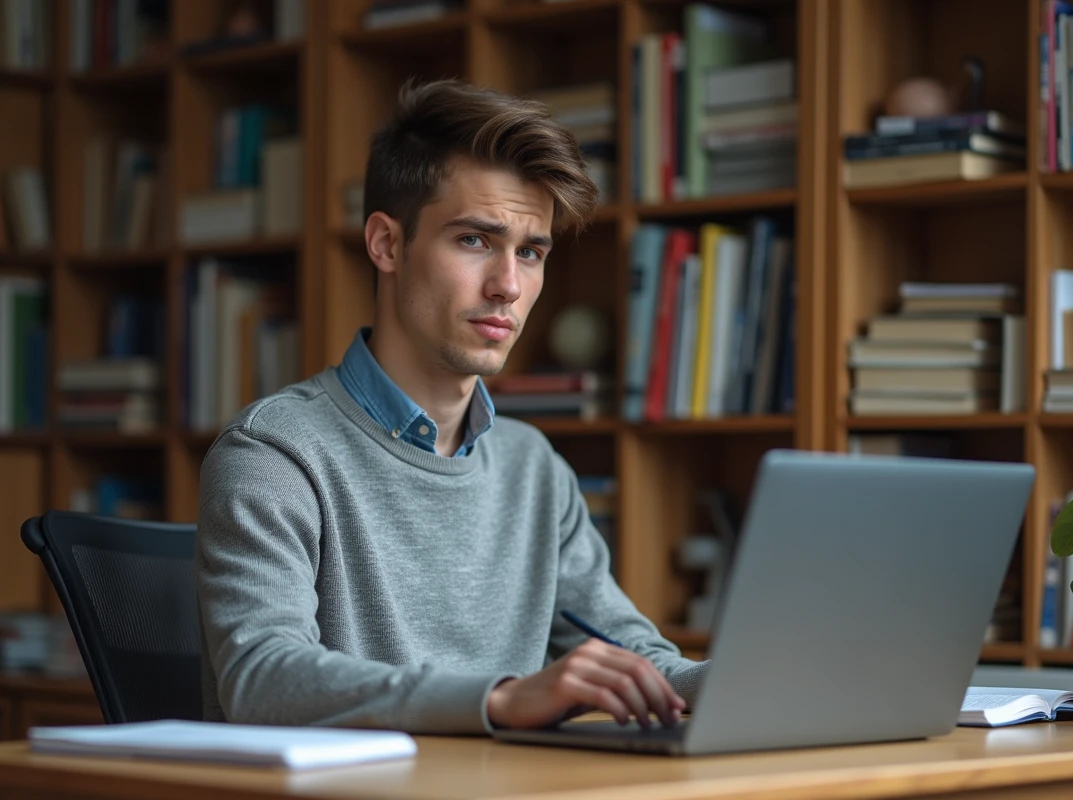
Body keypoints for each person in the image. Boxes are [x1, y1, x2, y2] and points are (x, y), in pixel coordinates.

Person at [196, 78, 710, 736]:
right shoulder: (274, 453)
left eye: (531, 252)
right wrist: (499, 699)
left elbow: (634, 657)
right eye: (475, 241)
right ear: (386, 244)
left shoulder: (533, 468)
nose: (509, 286)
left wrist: (757, 675)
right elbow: (262, 678)